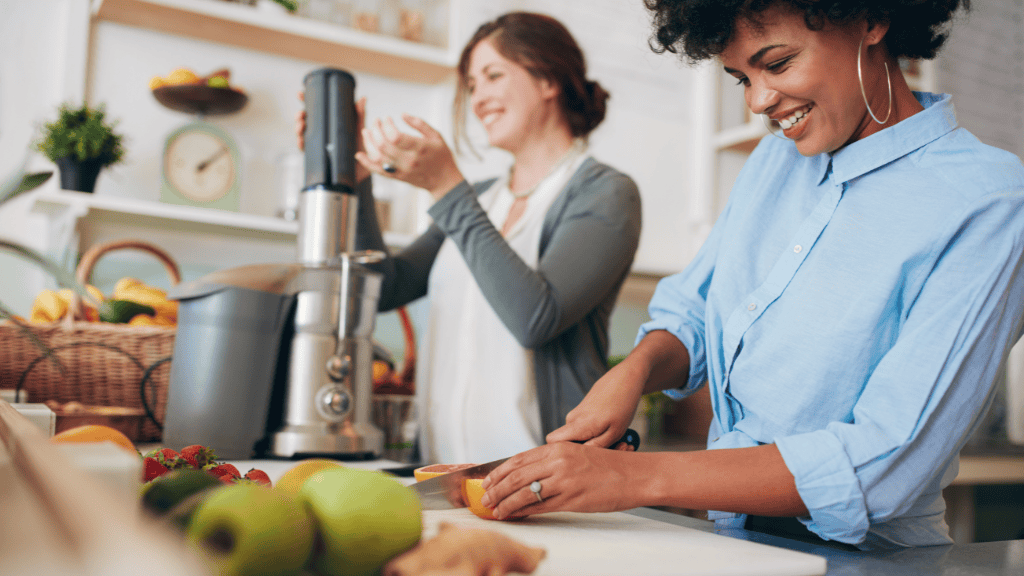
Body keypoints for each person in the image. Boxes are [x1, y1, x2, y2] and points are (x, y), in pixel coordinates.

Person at [478, 0, 1024, 550]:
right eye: (741, 77)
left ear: (871, 21)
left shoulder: (989, 201)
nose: (759, 101)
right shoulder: (773, 161)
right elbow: (695, 312)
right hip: (736, 542)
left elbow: (885, 460)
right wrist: (636, 371)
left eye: (779, 64)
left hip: (870, 560)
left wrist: (630, 478)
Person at [298, 12, 641, 465]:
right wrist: (359, 183)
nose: (478, 98)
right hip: (446, 475)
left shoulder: (605, 193)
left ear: (548, 80)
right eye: (472, 85)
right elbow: (386, 287)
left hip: (549, 480)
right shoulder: (481, 198)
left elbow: (536, 317)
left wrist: (445, 187)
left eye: (493, 75)